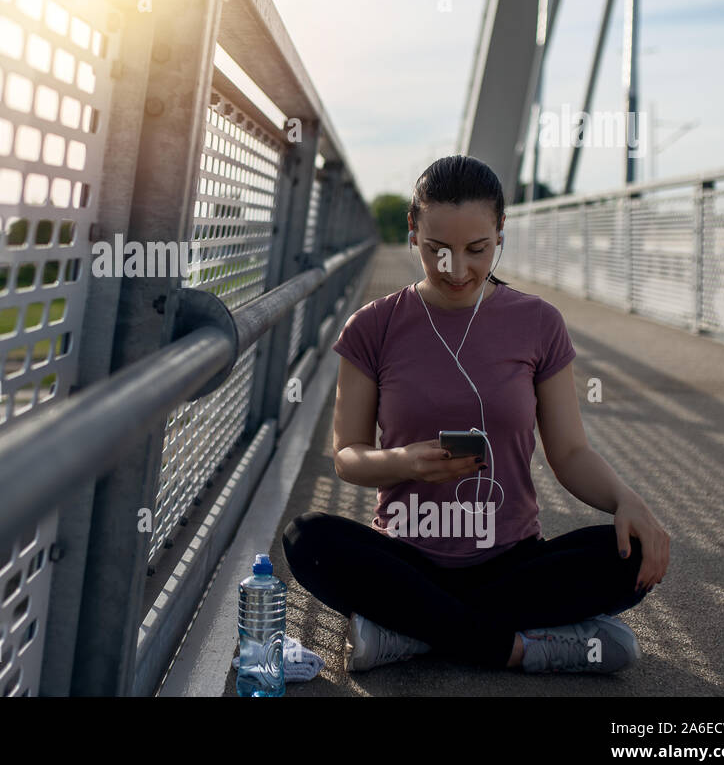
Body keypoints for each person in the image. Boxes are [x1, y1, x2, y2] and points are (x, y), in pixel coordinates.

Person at [282, 156, 670, 674]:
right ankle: (517, 648)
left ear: (501, 233)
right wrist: (405, 462)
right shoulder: (372, 327)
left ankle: (414, 633)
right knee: (307, 539)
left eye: (477, 250)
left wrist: (627, 499)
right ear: (413, 231)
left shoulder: (538, 323)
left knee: (628, 555)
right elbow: (348, 456)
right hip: (407, 557)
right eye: (436, 249)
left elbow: (571, 452)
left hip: (510, 562)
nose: (456, 269)